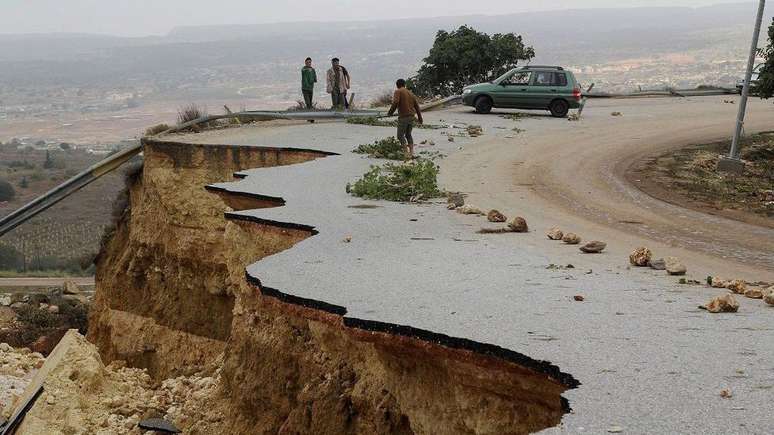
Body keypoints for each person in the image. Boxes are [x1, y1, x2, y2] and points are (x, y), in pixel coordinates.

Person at [387, 79, 423, 159]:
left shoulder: (398, 91)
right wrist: (420, 118)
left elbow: (395, 102)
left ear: (397, 85)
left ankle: (406, 153)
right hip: (411, 117)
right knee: (408, 134)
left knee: (400, 135)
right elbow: (417, 107)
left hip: (404, 117)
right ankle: (411, 152)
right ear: (404, 84)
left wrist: (390, 112)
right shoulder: (410, 93)